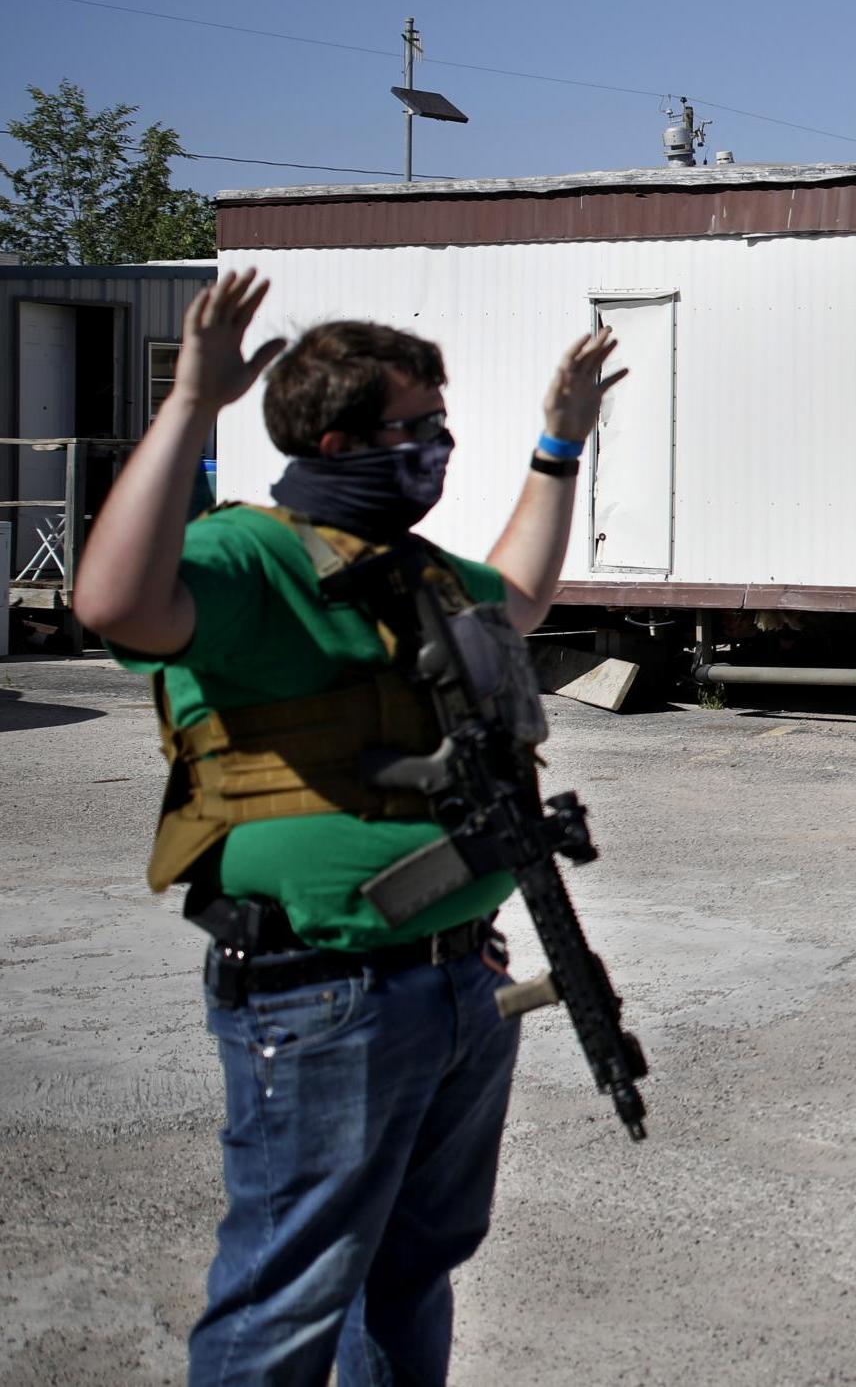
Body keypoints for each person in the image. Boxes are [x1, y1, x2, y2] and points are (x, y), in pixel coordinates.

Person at [72, 269, 621, 1383]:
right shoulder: (252, 558)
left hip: (459, 980)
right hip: (323, 991)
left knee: (413, 1271)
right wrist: (191, 406)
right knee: (285, 1296)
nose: (439, 447)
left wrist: (558, 446)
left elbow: (516, 596)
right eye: (418, 428)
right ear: (336, 442)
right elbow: (116, 602)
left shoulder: (408, 571)